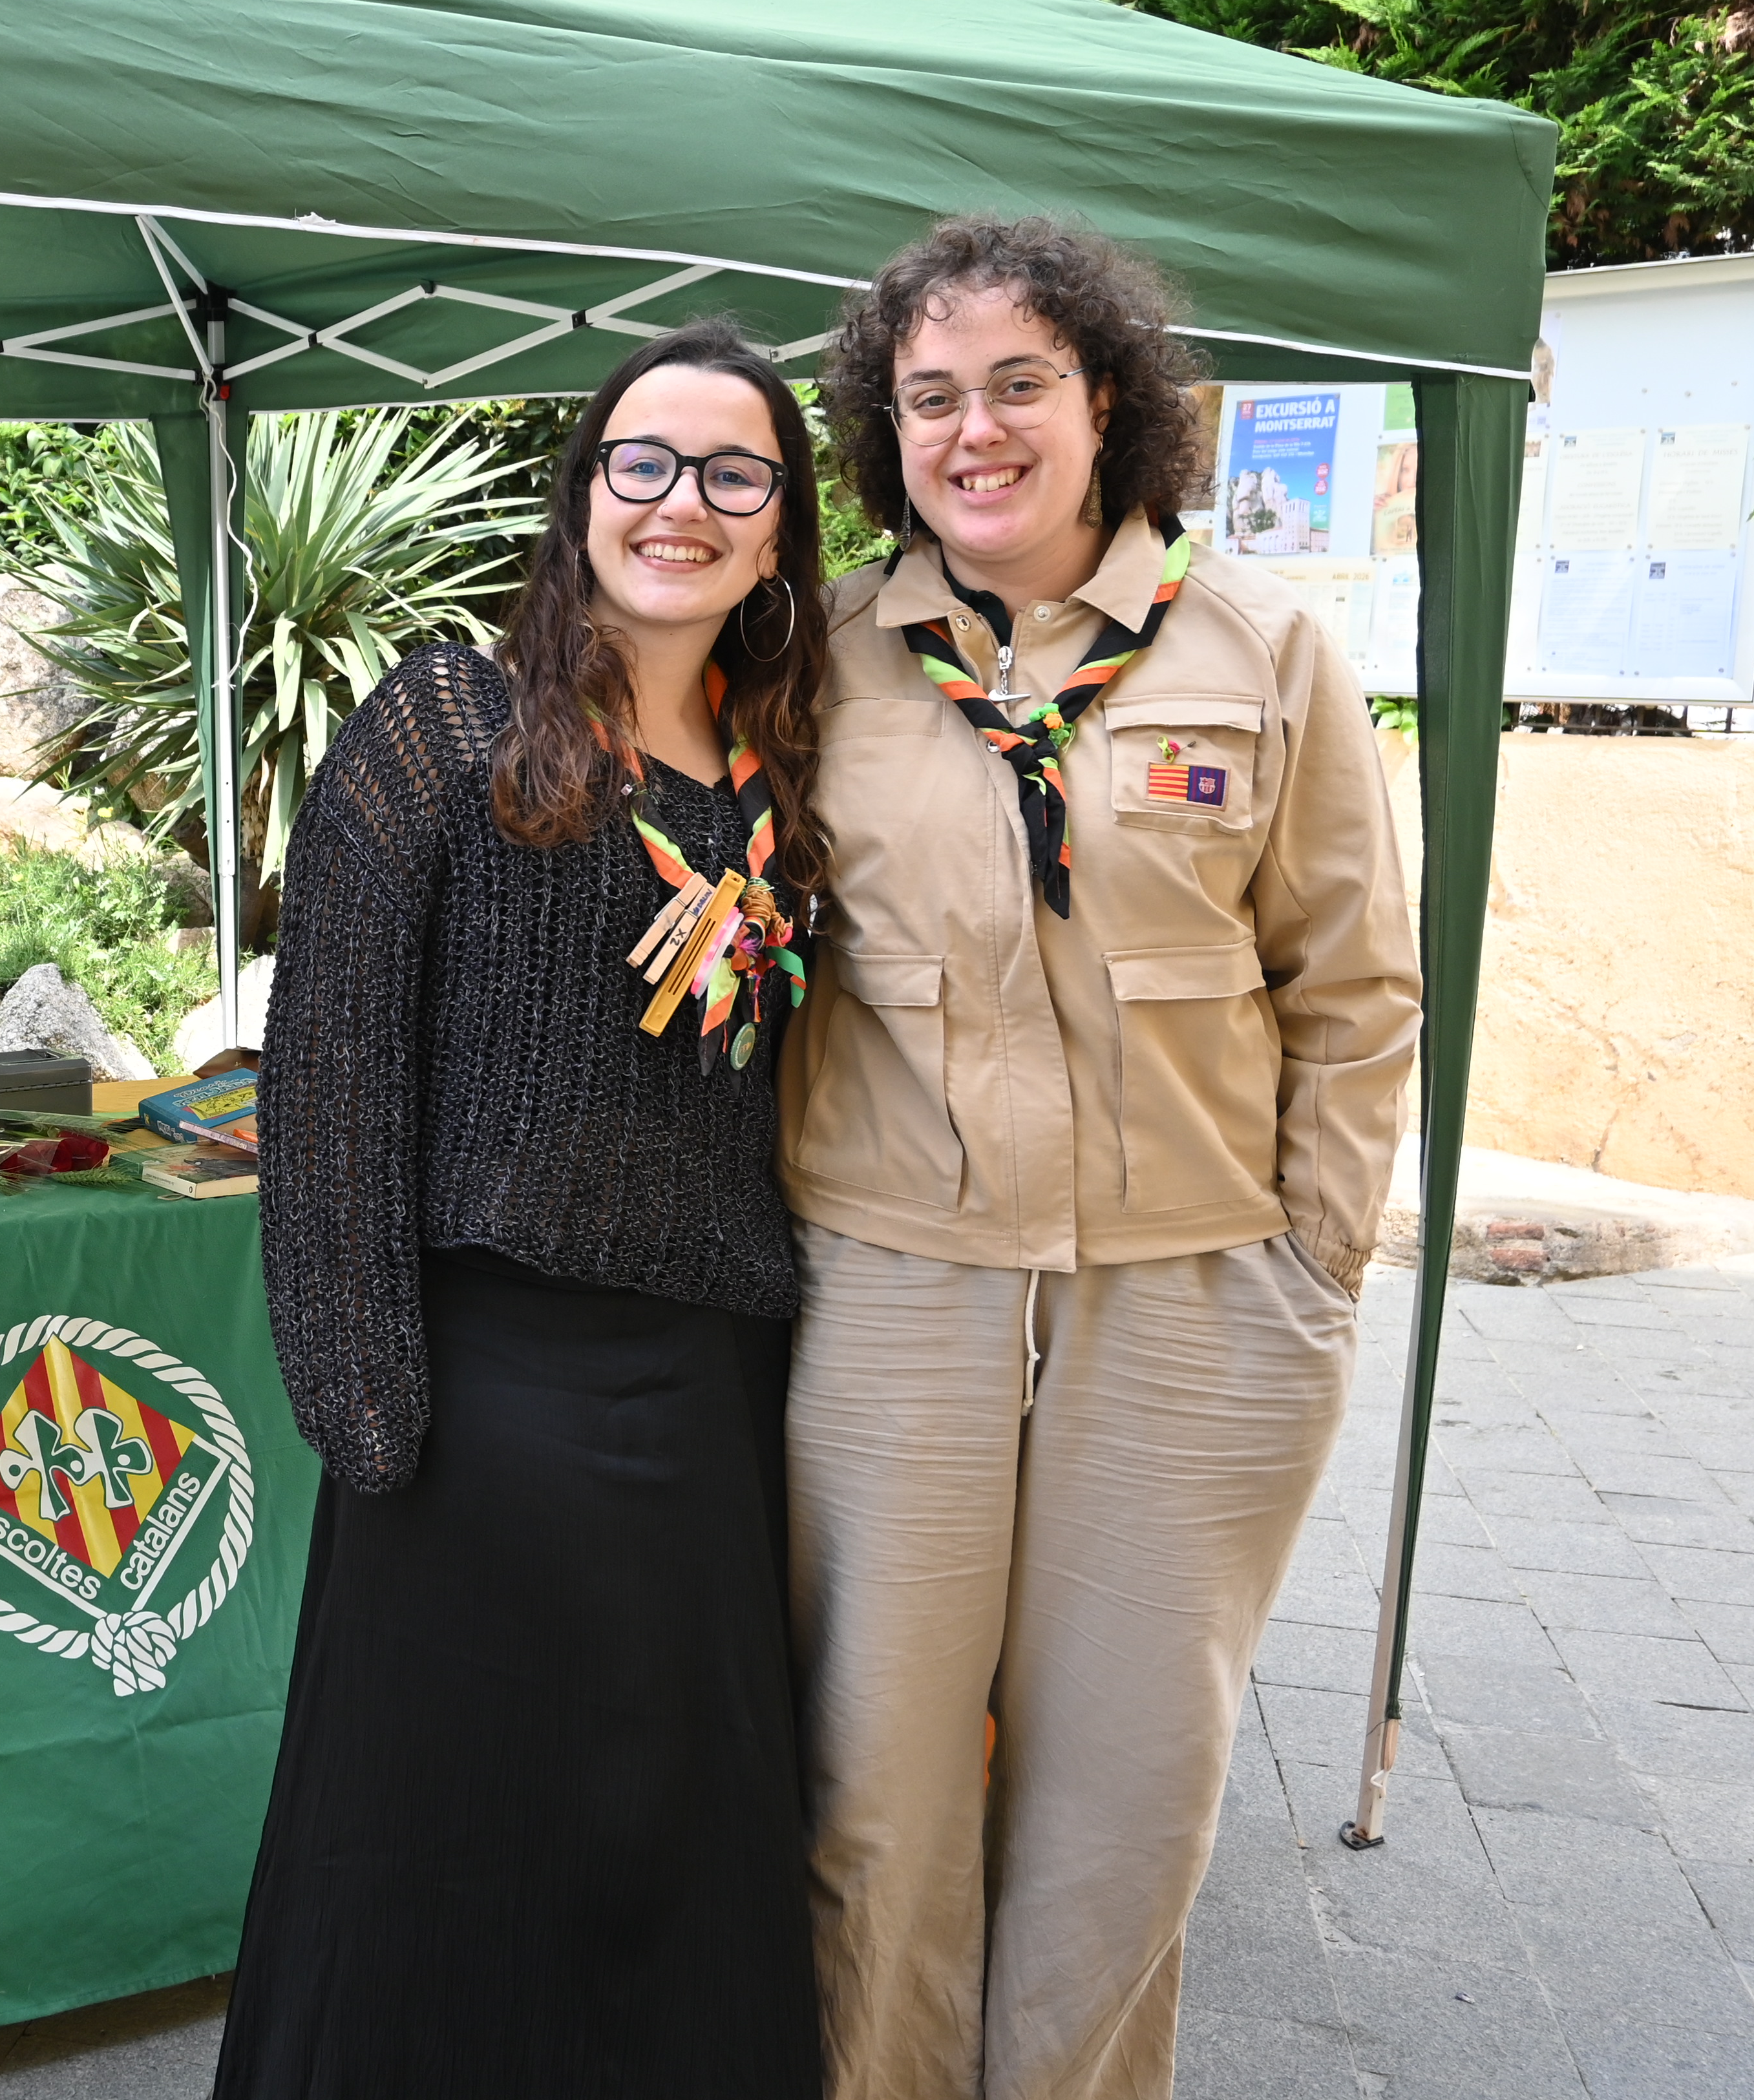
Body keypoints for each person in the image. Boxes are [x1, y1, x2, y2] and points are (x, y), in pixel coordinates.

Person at [780, 215, 1419, 2100]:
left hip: (1197, 1304)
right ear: (883, 431)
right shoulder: (818, 662)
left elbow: (1359, 986)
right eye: (928, 398)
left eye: (1018, 385)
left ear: (1111, 401)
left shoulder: (1267, 653)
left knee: (1126, 1801)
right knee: (871, 1788)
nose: (972, 431)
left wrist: (1313, 1265)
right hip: (893, 1299)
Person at [214, 320, 832, 2099]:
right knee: (434, 1861)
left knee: (672, 1853)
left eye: (734, 474)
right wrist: (364, 1396)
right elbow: (327, 1073)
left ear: (781, 530)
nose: (682, 504)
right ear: (581, 501)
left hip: (710, 1399)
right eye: (643, 462)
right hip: (476, 1400)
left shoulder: (785, 782)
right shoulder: (446, 726)